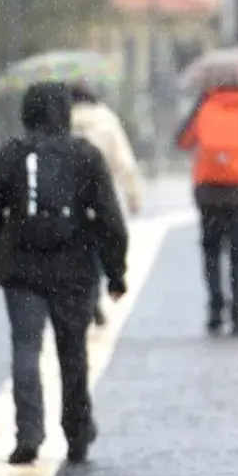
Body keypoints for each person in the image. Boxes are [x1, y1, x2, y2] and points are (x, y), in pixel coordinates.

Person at [0, 81, 129, 466]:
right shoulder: (85, 156)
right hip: (73, 267)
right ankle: (77, 431)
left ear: (27, 113)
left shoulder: (10, 154)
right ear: (65, 113)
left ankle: (28, 433)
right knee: (72, 351)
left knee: (25, 350)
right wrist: (115, 273)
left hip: (21, 267)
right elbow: (110, 219)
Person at [175, 86, 238, 337]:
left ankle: (215, 308)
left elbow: (183, 141)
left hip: (209, 192)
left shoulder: (204, 107)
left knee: (211, 251)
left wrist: (198, 105)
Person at [68, 85, 143, 327]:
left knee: (73, 250)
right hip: (100, 195)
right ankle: (92, 296)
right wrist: (133, 193)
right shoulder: (105, 119)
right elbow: (123, 159)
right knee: (98, 249)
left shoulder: (61, 120)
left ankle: (81, 297)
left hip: (65, 196)